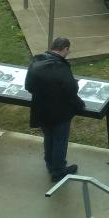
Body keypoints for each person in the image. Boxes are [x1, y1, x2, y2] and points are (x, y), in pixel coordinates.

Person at [25, 36, 86, 181]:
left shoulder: (36, 62)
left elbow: (29, 86)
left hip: (41, 110)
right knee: (60, 140)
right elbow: (71, 90)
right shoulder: (61, 67)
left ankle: (50, 164)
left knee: (49, 137)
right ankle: (59, 171)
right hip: (59, 112)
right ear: (65, 49)